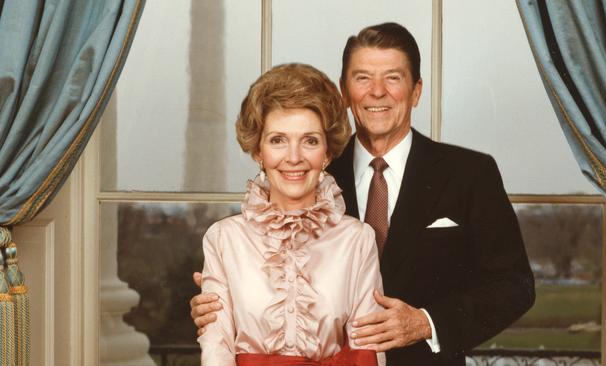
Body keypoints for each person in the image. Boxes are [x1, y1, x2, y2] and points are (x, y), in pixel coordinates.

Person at [193, 23, 535, 365]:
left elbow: (514, 286)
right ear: (344, 91)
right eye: (362, 78)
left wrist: (427, 323)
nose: (377, 92)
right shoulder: (311, 168)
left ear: (416, 91)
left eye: (392, 78)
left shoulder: (469, 173)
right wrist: (227, 301)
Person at [198, 63, 386, 365]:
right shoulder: (223, 239)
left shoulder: (358, 240)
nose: (294, 157)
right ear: (258, 152)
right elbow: (216, 345)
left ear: (326, 153)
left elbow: (369, 351)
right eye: (278, 140)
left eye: (309, 140)